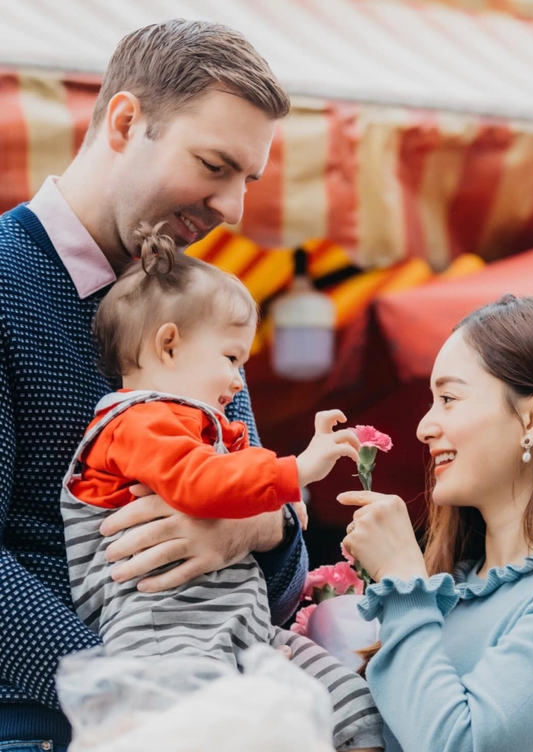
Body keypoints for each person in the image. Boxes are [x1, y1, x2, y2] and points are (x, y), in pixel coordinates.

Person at [0, 19, 311, 751]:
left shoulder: (199, 308)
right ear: (125, 120)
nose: (233, 207)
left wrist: (265, 525)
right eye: (214, 165)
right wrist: (141, 702)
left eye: (248, 181)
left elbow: (285, 571)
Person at [61, 225, 384, 752]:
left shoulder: (202, 427)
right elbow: (199, 485)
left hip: (240, 625)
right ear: (169, 345)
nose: (239, 380)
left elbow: (243, 484)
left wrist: (279, 500)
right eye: (231, 359)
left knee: (349, 700)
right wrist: (294, 473)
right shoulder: (137, 422)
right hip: (166, 634)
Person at [338, 294, 533, 752]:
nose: (425, 426)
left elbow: (462, 743)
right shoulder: (447, 589)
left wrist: (404, 583)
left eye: (448, 398)